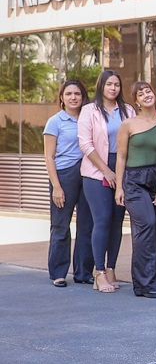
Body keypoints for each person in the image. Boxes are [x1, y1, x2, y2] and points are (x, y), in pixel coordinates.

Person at [114, 82, 156, 299]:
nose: (146, 95)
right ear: (136, 101)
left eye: (149, 91)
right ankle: (144, 283)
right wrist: (119, 187)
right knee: (146, 224)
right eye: (141, 93)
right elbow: (121, 156)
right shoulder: (128, 125)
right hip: (134, 181)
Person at [78, 70, 135, 293]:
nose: (113, 88)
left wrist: (119, 173)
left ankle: (111, 268)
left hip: (122, 168)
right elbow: (85, 144)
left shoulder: (127, 110)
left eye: (117, 85)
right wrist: (106, 171)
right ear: (101, 85)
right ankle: (98, 272)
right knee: (102, 220)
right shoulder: (88, 110)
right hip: (96, 171)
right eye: (109, 84)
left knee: (117, 222)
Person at [43, 80, 93, 287]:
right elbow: (48, 156)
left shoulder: (89, 118)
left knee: (87, 225)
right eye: (69, 94)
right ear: (61, 98)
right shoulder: (55, 121)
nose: (73, 97)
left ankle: (83, 272)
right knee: (61, 225)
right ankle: (58, 272)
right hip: (64, 174)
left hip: (88, 172)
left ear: (83, 97)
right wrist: (56, 185)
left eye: (78, 94)